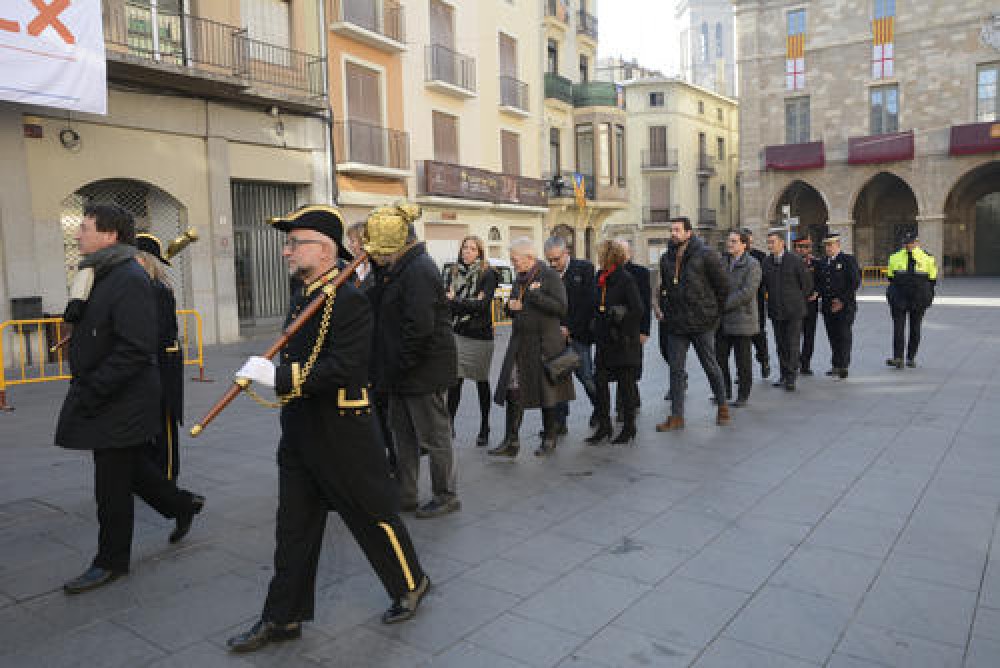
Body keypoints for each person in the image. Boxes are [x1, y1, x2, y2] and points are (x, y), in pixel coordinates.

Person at [226, 205, 428, 653]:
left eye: (294, 243)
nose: (286, 251)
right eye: (289, 243)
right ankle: (283, 616)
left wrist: (277, 376)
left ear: (324, 249)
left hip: (343, 431)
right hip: (300, 428)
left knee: (372, 516)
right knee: (293, 529)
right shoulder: (306, 294)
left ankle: (411, 582)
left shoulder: (349, 298)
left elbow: (345, 366)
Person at [56, 204, 204, 595]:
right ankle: (182, 505)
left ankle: (111, 561)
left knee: (111, 485)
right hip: (106, 392)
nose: (78, 235)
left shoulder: (129, 277)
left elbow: (136, 348)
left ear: (110, 235)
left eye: (84, 228)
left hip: (119, 397)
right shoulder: (99, 273)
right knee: (132, 469)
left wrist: (94, 388)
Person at [368, 203, 459, 518]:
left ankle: (446, 495)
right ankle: (406, 493)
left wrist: (398, 367)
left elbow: (419, 329)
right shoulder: (399, 268)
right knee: (403, 436)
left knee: (434, 437)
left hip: (422, 372)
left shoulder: (419, 269)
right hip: (402, 371)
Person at [490, 238, 575, 457]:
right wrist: (510, 308)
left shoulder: (549, 276)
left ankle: (550, 438)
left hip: (544, 345)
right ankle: (511, 442)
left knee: (548, 392)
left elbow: (561, 308)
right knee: (513, 390)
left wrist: (535, 296)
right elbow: (514, 305)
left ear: (529, 257)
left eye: (515, 259)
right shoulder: (519, 279)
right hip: (520, 344)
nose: (513, 263)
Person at [655, 217, 731, 431]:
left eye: (677, 230)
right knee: (676, 370)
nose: (673, 233)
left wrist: (714, 313)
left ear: (689, 233)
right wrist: (665, 309)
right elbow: (665, 288)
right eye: (671, 230)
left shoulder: (706, 254)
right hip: (676, 323)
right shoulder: (666, 258)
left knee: (710, 365)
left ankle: (722, 406)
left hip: (701, 322)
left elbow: (723, 287)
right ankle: (677, 416)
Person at [134, 233, 184, 481]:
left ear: (144, 260)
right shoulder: (145, 288)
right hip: (151, 365)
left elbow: (160, 332)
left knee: (165, 423)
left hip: (163, 366)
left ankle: (167, 476)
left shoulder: (158, 290)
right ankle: (153, 476)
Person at [346, 221, 395, 472]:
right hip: (357, 349)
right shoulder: (348, 271)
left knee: (383, 410)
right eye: (351, 241)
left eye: (355, 241)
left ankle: (394, 460)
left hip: (377, 348)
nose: (351, 246)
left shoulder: (380, 272)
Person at [586, 240, 643, 445]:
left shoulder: (625, 279)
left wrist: (620, 319)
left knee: (626, 387)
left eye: (601, 254)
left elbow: (638, 309)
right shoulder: (600, 277)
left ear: (609, 257)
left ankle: (629, 427)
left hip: (622, 342)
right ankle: (604, 426)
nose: (598, 257)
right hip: (604, 342)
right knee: (600, 384)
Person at [445, 235, 498, 447]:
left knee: (481, 382)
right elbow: (446, 302)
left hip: (480, 335)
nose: (467, 252)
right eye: (465, 248)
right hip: (458, 333)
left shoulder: (488, 274)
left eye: (473, 249)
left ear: (480, 253)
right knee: (455, 382)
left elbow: (482, 306)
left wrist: (456, 300)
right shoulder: (453, 271)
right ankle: (449, 425)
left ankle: (485, 426)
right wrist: (467, 303)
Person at [543, 236, 597, 432]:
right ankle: (560, 422)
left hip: (578, 336)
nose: (552, 264)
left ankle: (601, 411)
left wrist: (569, 328)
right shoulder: (546, 274)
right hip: (555, 337)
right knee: (558, 378)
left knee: (587, 378)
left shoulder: (585, 269)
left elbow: (587, 304)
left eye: (556, 259)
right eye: (549, 260)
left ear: (566, 253)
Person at [761, 231, 812, 391]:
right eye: (768, 242)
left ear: (782, 243)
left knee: (792, 344)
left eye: (773, 242)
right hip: (776, 310)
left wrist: (796, 300)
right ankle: (783, 375)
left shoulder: (795, 260)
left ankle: (791, 378)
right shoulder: (766, 262)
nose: (770, 245)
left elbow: (807, 285)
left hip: (794, 311)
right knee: (780, 344)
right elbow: (764, 285)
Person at [716, 230, 762, 407]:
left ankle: (743, 394)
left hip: (743, 319)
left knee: (742, 361)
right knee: (719, 359)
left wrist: (723, 304)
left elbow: (747, 292)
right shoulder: (722, 262)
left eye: (734, 241)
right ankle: (724, 391)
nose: (729, 244)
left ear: (744, 244)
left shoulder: (753, 264)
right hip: (722, 321)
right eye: (729, 241)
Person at [885, 230, 937, 368]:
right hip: (899, 297)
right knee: (898, 328)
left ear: (917, 242)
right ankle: (898, 358)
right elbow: (890, 277)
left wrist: (927, 296)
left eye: (911, 243)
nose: (908, 245)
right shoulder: (894, 257)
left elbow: (932, 280)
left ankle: (911, 357)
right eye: (906, 243)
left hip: (918, 298)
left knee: (915, 327)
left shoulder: (928, 258)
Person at [815, 233, 861, 379]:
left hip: (845, 306)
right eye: (826, 245)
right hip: (828, 306)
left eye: (831, 245)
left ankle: (843, 365)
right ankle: (836, 364)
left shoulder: (848, 260)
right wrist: (817, 293)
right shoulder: (823, 262)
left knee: (844, 335)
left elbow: (855, 282)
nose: (828, 248)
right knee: (832, 335)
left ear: (838, 245)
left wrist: (841, 300)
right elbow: (820, 283)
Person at [617, 238, 651, 420]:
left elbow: (645, 303)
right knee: (622, 368)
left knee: (632, 368)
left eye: (622, 251)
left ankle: (626, 405)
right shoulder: (605, 273)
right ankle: (625, 405)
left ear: (629, 253)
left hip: (634, 329)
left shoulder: (641, 273)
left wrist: (645, 330)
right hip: (614, 330)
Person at [744, 228, 771, 379]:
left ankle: (764, 360)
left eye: (749, 240)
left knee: (758, 335)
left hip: (757, 303)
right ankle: (743, 371)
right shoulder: (730, 257)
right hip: (739, 306)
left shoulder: (760, 257)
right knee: (741, 340)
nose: (748, 243)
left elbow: (766, 280)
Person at [792, 236, 820, 375]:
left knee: (809, 336)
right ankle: (794, 362)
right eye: (800, 247)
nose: (803, 250)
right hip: (795, 304)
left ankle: (805, 364)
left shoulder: (816, 263)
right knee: (794, 336)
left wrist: (817, 292)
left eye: (806, 247)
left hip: (810, 304)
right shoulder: (790, 262)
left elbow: (821, 280)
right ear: (795, 248)